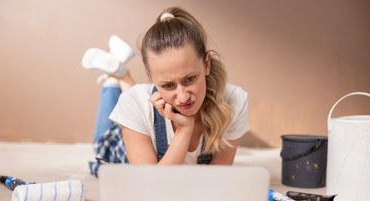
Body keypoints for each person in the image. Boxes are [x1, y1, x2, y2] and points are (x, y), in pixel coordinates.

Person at [82, 6, 250, 176]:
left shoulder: (234, 101)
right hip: (117, 143)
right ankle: (115, 78)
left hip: (140, 115)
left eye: (190, 79)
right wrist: (184, 129)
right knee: (99, 143)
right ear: (151, 78)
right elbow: (152, 186)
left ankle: (121, 74)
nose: (183, 97)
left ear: (207, 64)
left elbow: (218, 179)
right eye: (168, 85)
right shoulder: (133, 101)